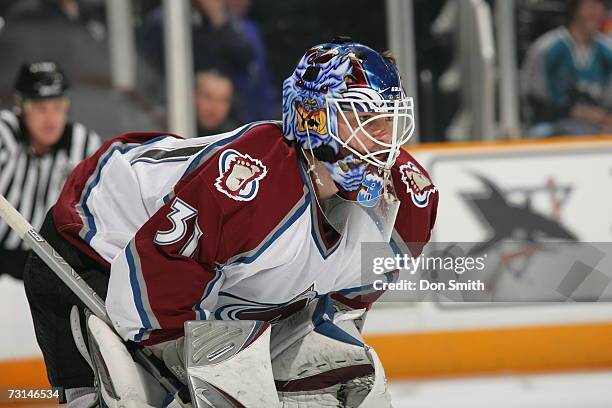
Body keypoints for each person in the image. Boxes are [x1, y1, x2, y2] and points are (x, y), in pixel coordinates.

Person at [23, 39, 438, 407]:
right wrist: (176, 363)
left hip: (200, 279)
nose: (384, 137)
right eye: (365, 120)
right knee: (131, 395)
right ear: (313, 119)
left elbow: (339, 309)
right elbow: (159, 275)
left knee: (351, 379)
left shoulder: (409, 203)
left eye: (388, 120)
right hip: (93, 240)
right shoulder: (249, 186)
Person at [0, 61, 100, 280]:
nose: (51, 119)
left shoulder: (84, 144)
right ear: (21, 107)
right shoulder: (4, 134)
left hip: (53, 268)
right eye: (40, 108)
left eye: (58, 107)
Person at [520, 0, 612, 137]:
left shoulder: (607, 51)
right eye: (590, 6)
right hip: (554, 125)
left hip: (599, 128)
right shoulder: (547, 49)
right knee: (539, 133)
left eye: (600, 6)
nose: (596, 13)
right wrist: (576, 112)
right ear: (575, 8)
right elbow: (534, 104)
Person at [194, 69, 238, 136]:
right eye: (208, 97)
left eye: (223, 100)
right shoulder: (176, 131)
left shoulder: (236, 139)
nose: (214, 108)